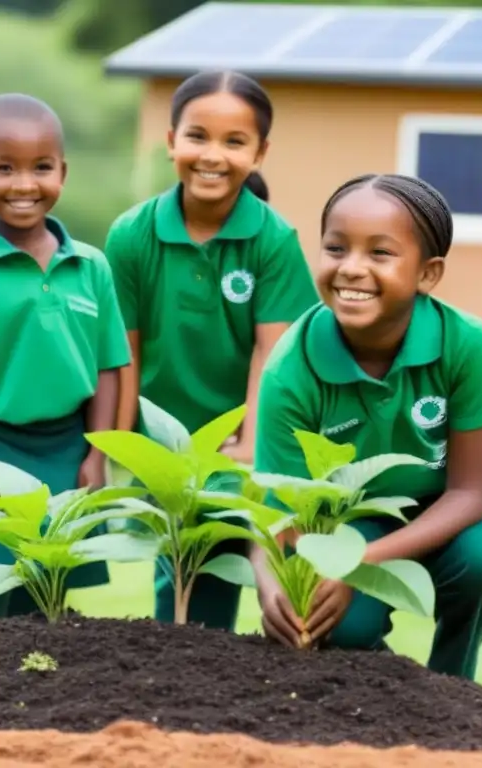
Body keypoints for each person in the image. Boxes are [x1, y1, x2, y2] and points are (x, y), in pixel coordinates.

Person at [253, 173, 482, 681]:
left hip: (452, 506)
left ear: (428, 273)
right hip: (353, 516)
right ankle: (390, 689)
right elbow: (278, 511)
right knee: (331, 617)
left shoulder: (463, 342)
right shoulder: (290, 367)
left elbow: (471, 493)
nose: (351, 268)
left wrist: (358, 562)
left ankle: (454, 684)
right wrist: (272, 580)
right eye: (336, 248)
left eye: (380, 254)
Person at [104, 70, 319, 631]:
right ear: (171, 139)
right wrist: (124, 445)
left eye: (234, 141)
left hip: (247, 435)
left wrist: (252, 443)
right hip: (168, 440)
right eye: (197, 136)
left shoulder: (273, 240)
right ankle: (181, 701)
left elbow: (271, 357)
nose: (212, 156)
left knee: (276, 578)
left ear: (260, 152)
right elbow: (125, 352)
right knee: (187, 582)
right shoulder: (132, 235)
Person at [0, 94, 131, 629]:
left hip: (66, 451)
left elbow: (108, 368)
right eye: (4, 168)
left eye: (41, 168)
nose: (24, 184)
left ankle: (34, 703)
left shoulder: (92, 266)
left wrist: (96, 453)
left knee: (49, 593)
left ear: (63, 172)